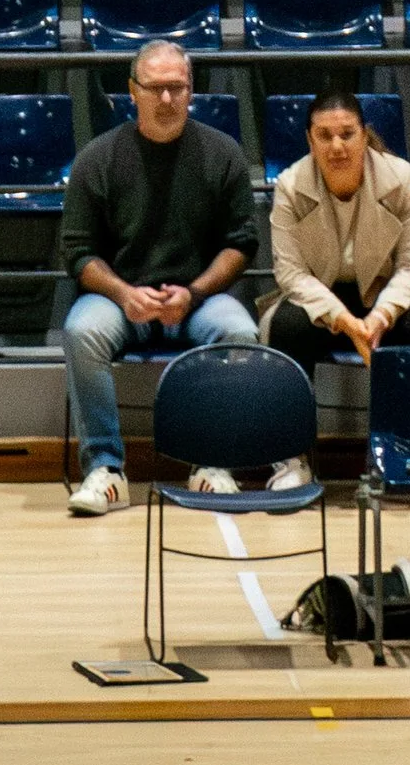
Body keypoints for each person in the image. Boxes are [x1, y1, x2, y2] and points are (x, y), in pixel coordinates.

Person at [59, 39, 260, 518]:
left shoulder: (223, 153)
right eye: (156, 88)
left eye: (178, 87)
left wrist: (192, 294)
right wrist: (125, 294)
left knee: (240, 331)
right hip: (119, 299)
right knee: (80, 331)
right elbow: (78, 252)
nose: (167, 99)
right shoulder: (97, 158)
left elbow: (242, 243)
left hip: (198, 298)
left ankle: (213, 464)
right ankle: (106, 471)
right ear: (133, 91)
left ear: (191, 90)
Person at [262, 90, 410, 493]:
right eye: (325, 135)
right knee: (287, 324)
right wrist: (348, 324)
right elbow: (291, 274)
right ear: (310, 140)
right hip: (322, 298)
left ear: (364, 136)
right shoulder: (291, 185)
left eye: (347, 134)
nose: (337, 146)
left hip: (387, 295)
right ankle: (292, 459)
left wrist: (381, 316)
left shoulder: (400, 178)